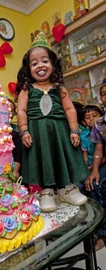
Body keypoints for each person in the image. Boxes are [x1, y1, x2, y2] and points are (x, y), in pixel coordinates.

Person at [16, 31, 89, 212]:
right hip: (36, 134)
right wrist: (24, 131)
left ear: (53, 65)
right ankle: (47, 192)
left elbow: (70, 109)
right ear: (28, 69)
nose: (40, 65)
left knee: (61, 157)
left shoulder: (59, 88)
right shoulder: (27, 89)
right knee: (42, 160)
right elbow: (21, 110)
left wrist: (73, 130)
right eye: (34, 63)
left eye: (45, 61)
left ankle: (66, 188)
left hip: (60, 132)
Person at [83, 83, 106, 251]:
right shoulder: (100, 124)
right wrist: (95, 170)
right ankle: (103, 234)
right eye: (104, 94)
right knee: (93, 184)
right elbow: (98, 148)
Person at [80, 104, 103, 170]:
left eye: (95, 116)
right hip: (90, 162)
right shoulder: (84, 136)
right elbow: (85, 153)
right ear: (84, 122)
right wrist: (87, 165)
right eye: (87, 117)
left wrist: (94, 166)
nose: (91, 119)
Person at [8, 98, 22, 180]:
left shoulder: (15, 131)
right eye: (7, 110)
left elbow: (18, 153)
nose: (11, 114)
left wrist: (15, 170)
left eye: (12, 111)